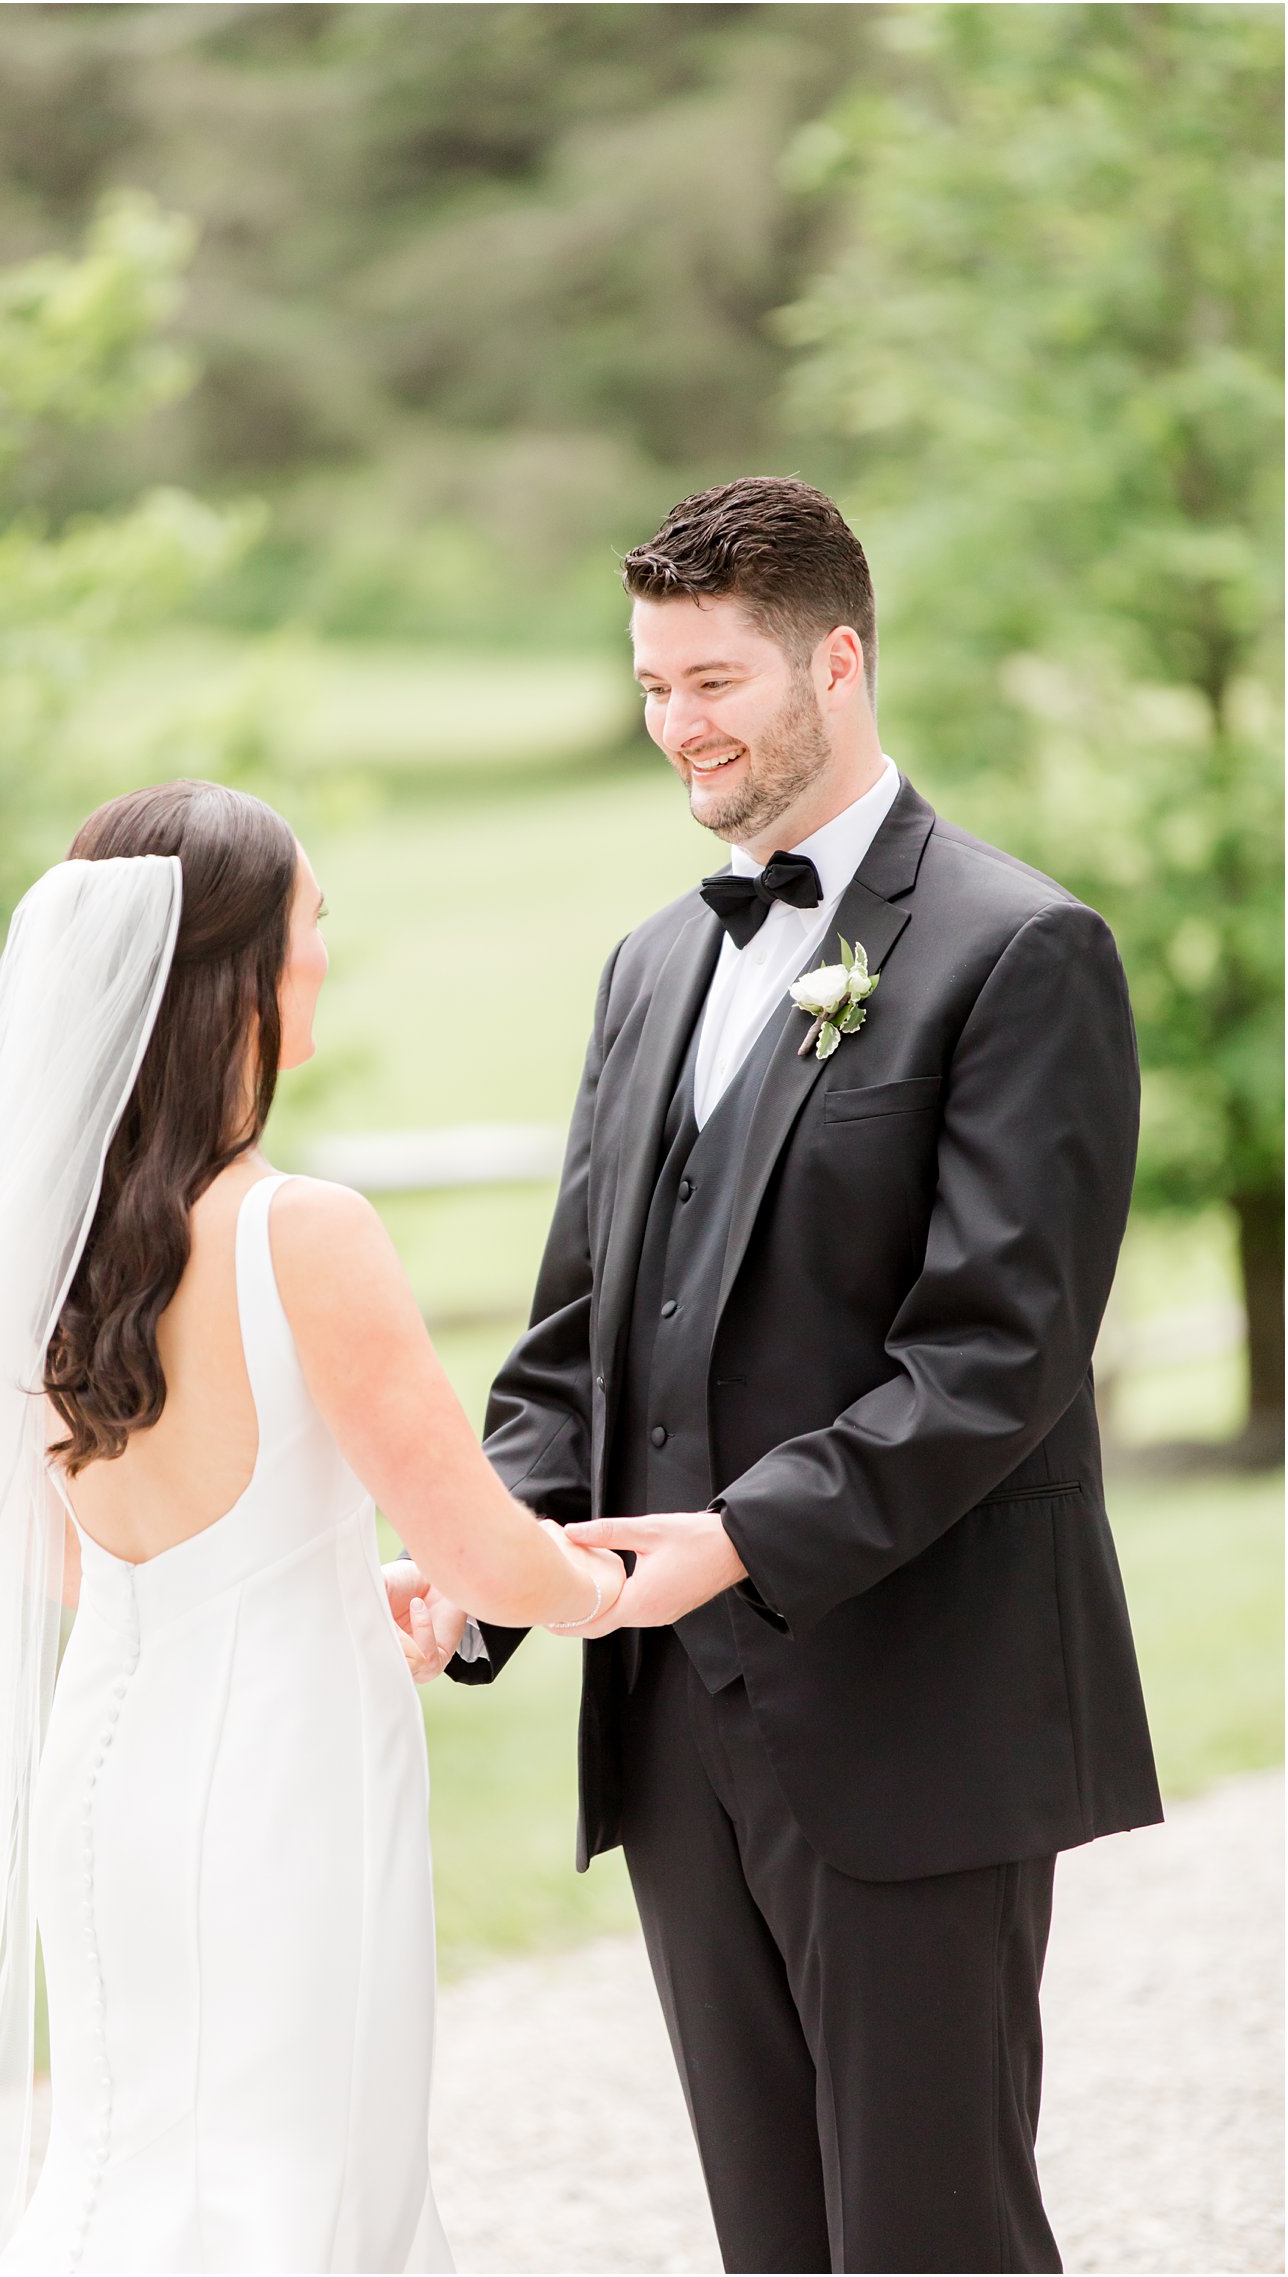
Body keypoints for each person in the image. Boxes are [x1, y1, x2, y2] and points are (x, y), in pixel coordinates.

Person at [398, 477, 1164, 2275]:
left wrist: (737, 1538)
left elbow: (1001, 1356)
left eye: (717, 680)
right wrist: (482, 1557)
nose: (680, 724)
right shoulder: (649, 963)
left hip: (917, 1719)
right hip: (678, 1734)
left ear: (838, 656)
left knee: (932, 2233)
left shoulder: (1018, 947)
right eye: (655, 684)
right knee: (772, 2240)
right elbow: (574, 1337)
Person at [0, 778, 625, 2275]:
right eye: (306, 931)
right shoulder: (306, 1231)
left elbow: (70, 1554)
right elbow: (488, 1550)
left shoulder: (43, 1251)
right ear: (232, 976)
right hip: (286, 1784)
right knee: (292, 2191)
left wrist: (313, 1591)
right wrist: (618, 1582)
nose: (318, 962)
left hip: (108, 1772)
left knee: (129, 2168)